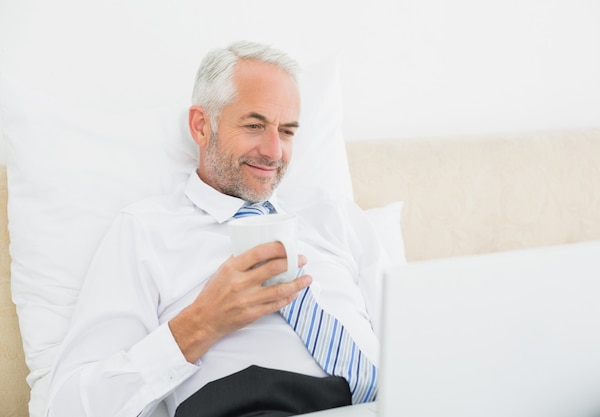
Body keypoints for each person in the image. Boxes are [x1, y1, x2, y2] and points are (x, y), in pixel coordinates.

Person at [46, 41, 386, 417]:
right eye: (255, 125)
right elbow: (68, 408)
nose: (274, 151)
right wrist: (200, 323)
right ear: (201, 125)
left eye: (287, 131)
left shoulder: (333, 215)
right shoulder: (144, 231)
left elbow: (413, 335)